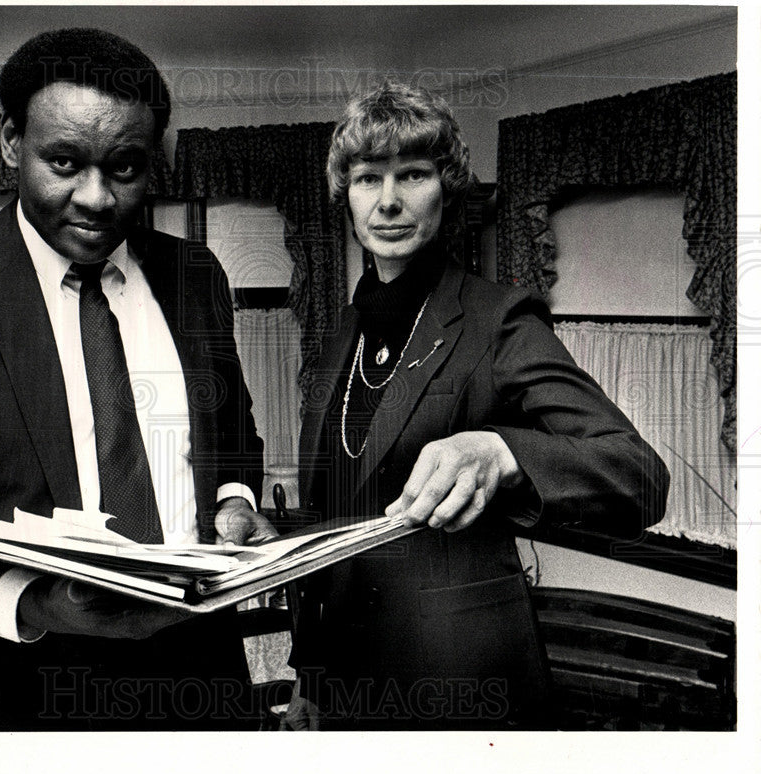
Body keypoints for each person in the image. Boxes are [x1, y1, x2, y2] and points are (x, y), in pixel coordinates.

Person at [0, 27, 274, 731]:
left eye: (126, 168)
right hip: (4, 695)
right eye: (65, 162)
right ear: (12, 142)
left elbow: (230, 437)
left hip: (195, 686)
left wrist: (234, 502)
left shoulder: (195, 276)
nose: (97, 198)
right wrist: (29, 600)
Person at [281, 82, 670, 730]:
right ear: (344, 196)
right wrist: (309, 678)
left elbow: (638, 473)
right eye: (367, 177)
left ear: (447, 187)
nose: (388, 200)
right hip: (348, 690)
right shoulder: (340, 335)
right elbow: (330, 526)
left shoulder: (499, 320)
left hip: (462, 684)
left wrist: (503, 451)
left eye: (412, 174)